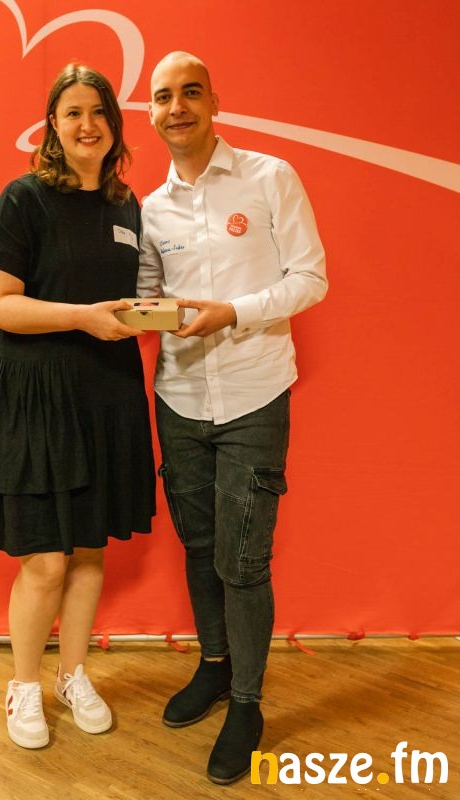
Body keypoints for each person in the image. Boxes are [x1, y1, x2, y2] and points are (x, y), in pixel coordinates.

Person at [138, 52, 327, 784]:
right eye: (163, 96)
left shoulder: (270, 177)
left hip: (254, 393)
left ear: (215, 101)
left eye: (190, 92)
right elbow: (151, 293)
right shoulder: (151, 208)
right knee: (198, 545)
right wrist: (135, 310)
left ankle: (247, 702)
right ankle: (215, 666)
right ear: (151, 113)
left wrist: (234, 312)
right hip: (179, 396)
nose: (177, 107)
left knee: (243, 561)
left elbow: (310, 278)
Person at [0, 64, 155, 749]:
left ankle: (73, 675)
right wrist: (82, 316)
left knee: (89, 550)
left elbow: (128, 301)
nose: (87, 125)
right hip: (34, 398)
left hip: (105, 393)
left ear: (115, 124)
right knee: (45, 560)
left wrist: (157, 315)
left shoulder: (126, 205)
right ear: (53, 125)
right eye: (73, 112)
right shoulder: (23, 200)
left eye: (98, 112)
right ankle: (24, 686)